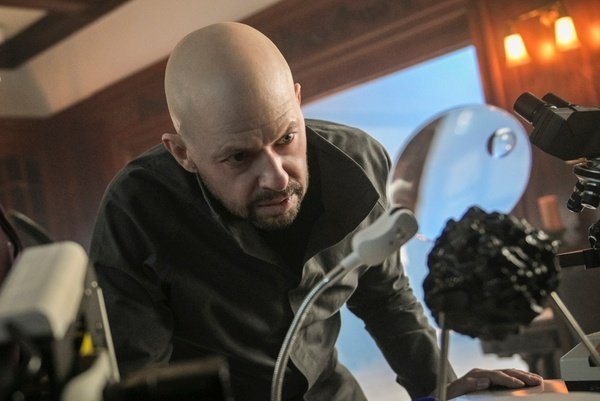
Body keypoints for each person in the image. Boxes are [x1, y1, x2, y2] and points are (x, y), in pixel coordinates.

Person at [89, 22, 542, 401]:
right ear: (183, 152)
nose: (277, 178)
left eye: (286, 138)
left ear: (297, 100)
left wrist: (440, 388)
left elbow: (385, 297)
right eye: (239, 157)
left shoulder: (362, 165)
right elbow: (139, 374)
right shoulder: (136, 208)